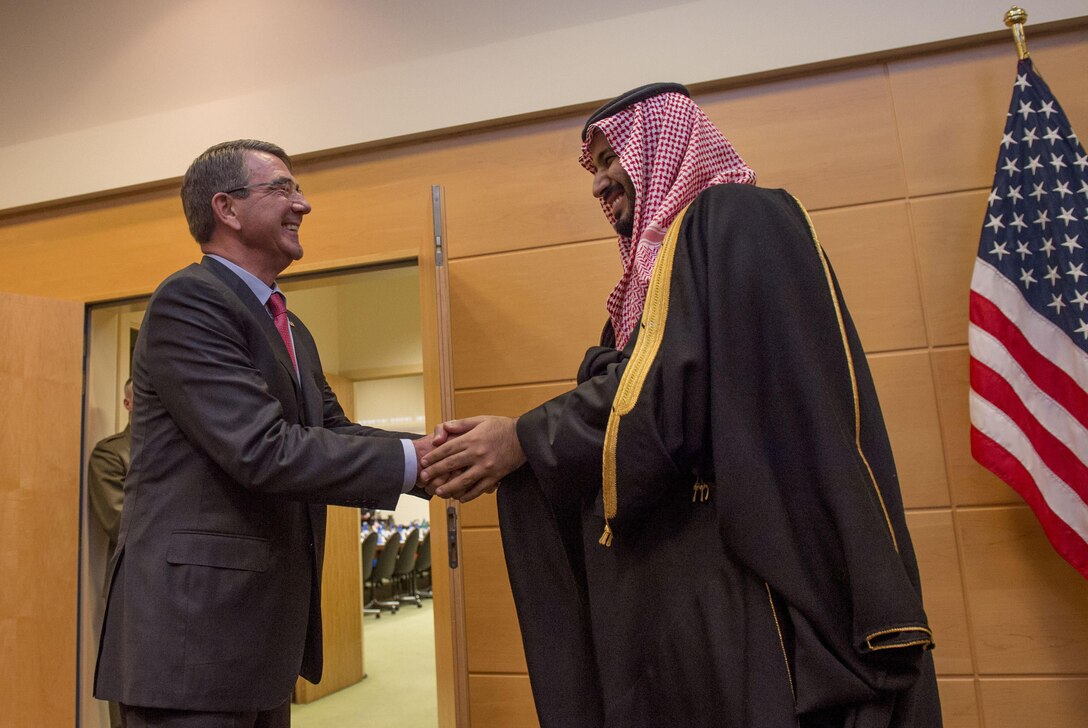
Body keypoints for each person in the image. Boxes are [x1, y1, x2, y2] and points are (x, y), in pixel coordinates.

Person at [421, 84, 942, 727]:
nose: (599, 184)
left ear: (661, 149)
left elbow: (671, 389)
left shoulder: (738, 219)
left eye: (613, 159)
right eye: (596, 166)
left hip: (755, 572)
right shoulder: (657, 276)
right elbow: (645, 387)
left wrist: (525, 439)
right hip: (695, 579)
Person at [94, 139, 434, 727]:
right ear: (226, 209)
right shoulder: (189, 300)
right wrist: (416, 462)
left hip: (255, 640)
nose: (303, 204)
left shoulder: (289, 323)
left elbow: (333, 429)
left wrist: (442, 453)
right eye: (282, 188)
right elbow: (262, 449)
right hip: (191, 642)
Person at [87, 377, 133, 728]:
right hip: (131, 596)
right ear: (128, 403)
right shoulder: (111, 453)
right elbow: (122, 526)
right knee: (130, 702)